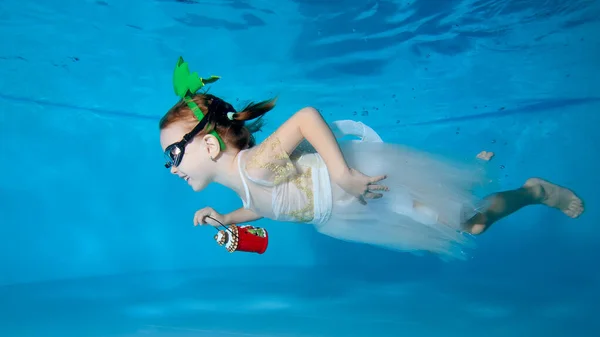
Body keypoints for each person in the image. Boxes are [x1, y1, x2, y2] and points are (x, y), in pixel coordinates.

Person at [159, 57, 584, 260]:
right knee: (468, 219)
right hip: (349, 214)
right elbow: (263, 205)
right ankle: (472, 179)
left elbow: (306, 117)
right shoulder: (247, 179)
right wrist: (228, 218)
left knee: (469, 222)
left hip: (367, 190)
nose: (172, 166)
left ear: (210, 146)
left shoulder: (255, 164)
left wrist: (343, 174)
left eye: (174, 154)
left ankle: (534, 191)